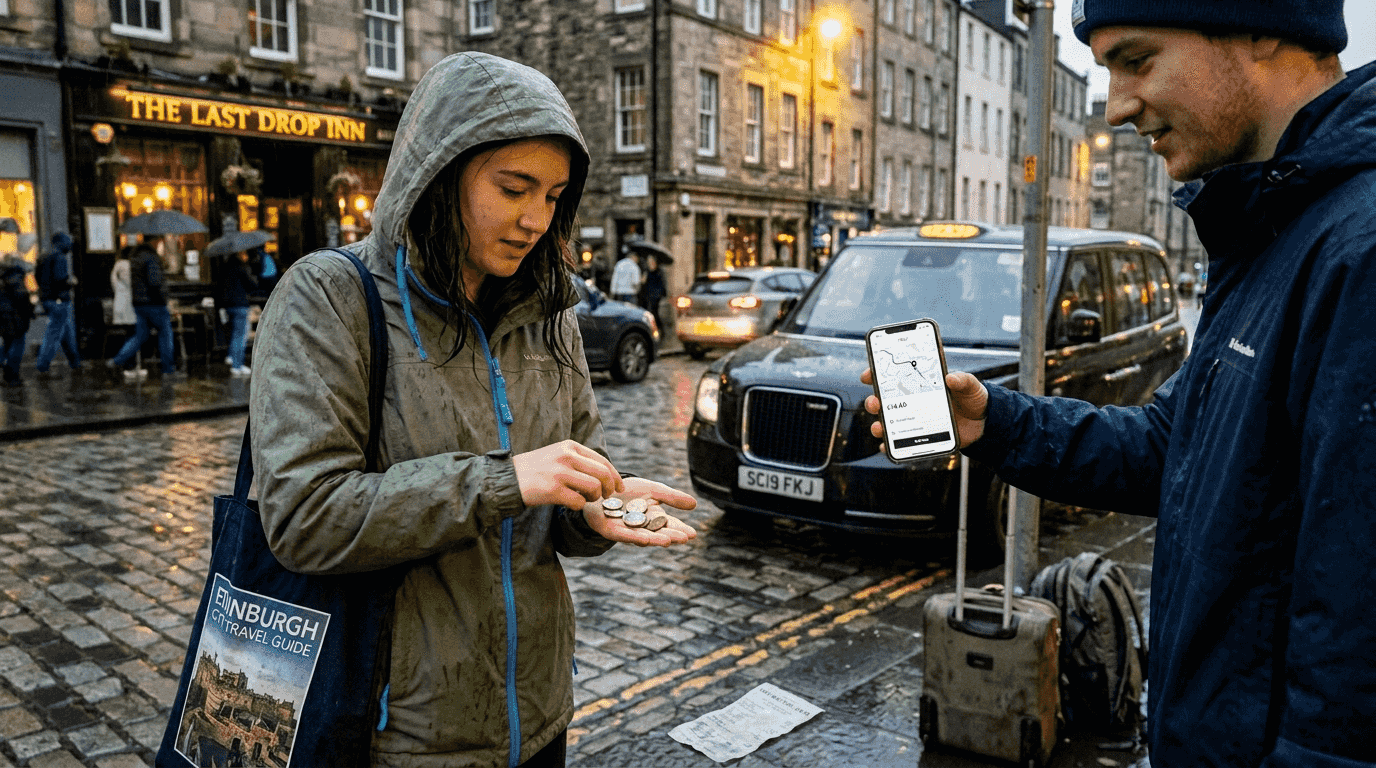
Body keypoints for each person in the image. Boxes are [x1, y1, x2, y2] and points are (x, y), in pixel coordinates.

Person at [865, 2, 1374, 765]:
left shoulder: (1357, 251)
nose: (1115, 108)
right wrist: (992, 422)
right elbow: (1174, 447)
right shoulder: (1270, 225)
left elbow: (1352, 657)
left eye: (1137, 61)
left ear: (1262, 27)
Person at [248, 52, 698, 767]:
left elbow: (560, 501)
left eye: (553, 196)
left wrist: (596, 510)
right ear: (438, 174)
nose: (535, 220)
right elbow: (304, 518)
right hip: (397, 736)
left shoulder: (551, 314)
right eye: (513, 188)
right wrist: (503, 481)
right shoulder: (329, 298)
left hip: (538, 719)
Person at [107, 242, 179, 378]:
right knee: (165, 334)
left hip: (139, 305)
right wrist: (164, 298)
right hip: (155, 303)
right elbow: (154, 282)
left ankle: (116, 361)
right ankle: (168, 369)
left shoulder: (134, 260)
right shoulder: (151, 258)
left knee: (140, 336)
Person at [34, 231, 82, 375]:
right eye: (68, 242)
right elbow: (60, 279)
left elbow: (37, 277)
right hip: (59, 301)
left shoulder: (43, 257)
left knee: (67, 333)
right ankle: (42, 366)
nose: (70, 245)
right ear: (61, 243)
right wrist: (72, 281)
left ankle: (76, 363)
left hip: (47, 300)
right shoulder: (59, 257)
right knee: (53, 335)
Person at [218, 249, 258, 376]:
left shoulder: (225, 267)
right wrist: (248, 269)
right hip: (240, 304)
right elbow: (252, 284)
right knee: (240, 336)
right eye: (244, 253)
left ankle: (231, 356)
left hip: (227, 305)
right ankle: (237, 365)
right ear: (239, 254)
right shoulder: (241, 267)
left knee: (234, 333)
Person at [0, 253, 33, 386]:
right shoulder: (15, 275)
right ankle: (12, 377)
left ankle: (7, 375)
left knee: (8, 344)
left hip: (4, 315)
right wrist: (30, 309)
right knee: (17, 346)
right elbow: (21, 296)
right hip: (14, 316)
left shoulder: (3, 274)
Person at [638, 254, 667, 330]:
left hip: (655, 297)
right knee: (648, 314)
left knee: (654, 314)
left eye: (651, 260)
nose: (649, 262)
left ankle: (659, 330)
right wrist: (643, 279)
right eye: (648, 261)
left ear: (654, 261)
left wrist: (658, 295)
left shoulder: (659, 272)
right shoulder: (646, 271)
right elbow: (643, 283)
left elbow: (662, 285)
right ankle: (651, 330)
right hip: (647, 296)